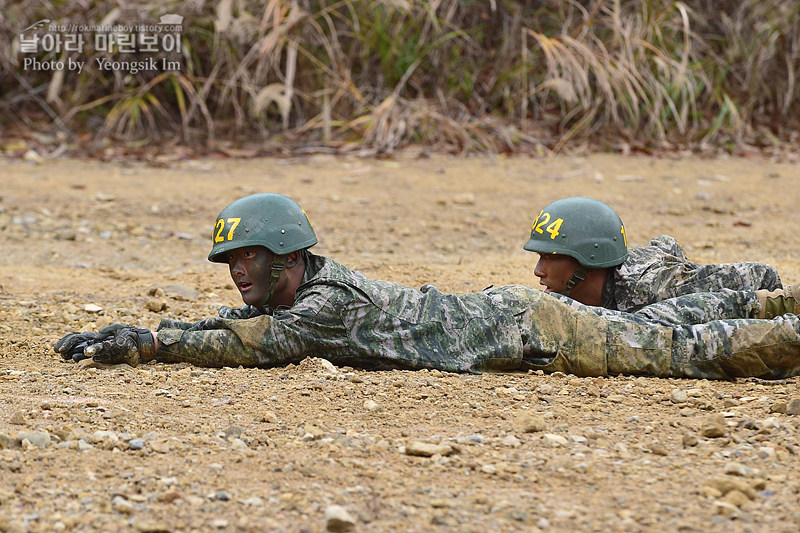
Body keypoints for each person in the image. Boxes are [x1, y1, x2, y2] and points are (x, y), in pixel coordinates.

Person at [54, 193, 800, 380]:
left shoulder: (325, 307)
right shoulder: (311, 293)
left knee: (680, 353)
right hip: (516, 324)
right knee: (674, 326)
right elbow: (237, 323)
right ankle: (770, 303)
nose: (238, 272)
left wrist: (155, 341)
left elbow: (262, 344)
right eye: (232, 263)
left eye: (249, 258)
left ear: (287, 255)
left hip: (525, 326)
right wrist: (147, 332)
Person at [523, 197, 796, 319]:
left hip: (659, 274)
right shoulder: (570, 291)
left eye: (550, 257)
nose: (538, 270)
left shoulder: (653, 289)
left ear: (588, 259)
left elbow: (763, 275)